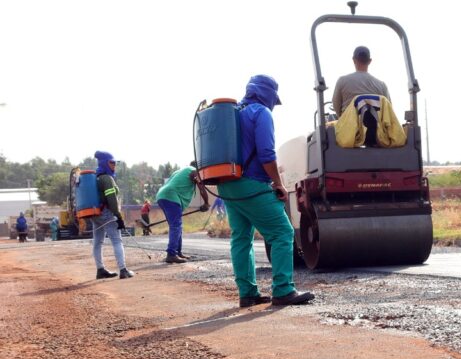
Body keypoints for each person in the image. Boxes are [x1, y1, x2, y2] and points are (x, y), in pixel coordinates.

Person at [219, 74, 313, 307]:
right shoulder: (260, 113)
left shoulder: (232, 114)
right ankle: (282, 290)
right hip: (252, 184)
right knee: (282, 232)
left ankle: (247, 293)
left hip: (227, 184)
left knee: (241, 237)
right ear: (268, 94)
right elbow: (267, 155)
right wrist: (278, 184)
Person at [89, 151, 134, 279]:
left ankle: (100, 270)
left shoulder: (95, 178)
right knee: (117, 240)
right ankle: (123, 270)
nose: (114, 165)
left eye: (115, 163)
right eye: (112, 162)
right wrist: (118, 216)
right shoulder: (107, 179)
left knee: (98, 242)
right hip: (107, 214)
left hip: (95, 214)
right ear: (105, 163)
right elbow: (112, 199)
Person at [155, 165, 208, 264]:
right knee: (176, 226)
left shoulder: (180, 171)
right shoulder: (193, 171)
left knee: (176, 226)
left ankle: (177, 252)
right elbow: (201, 187)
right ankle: (171, 254)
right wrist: (206, 202)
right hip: (171, 196)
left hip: (162, 195)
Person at [332, 46, 390, 116]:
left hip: (350, 125)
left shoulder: (342, 81)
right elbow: (388, 109)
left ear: (354, 60)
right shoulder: (382, 85)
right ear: (370, 61)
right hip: (376, 125)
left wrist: (342, 119)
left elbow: (336, 105)